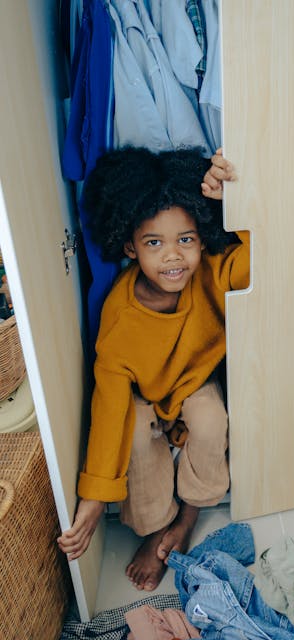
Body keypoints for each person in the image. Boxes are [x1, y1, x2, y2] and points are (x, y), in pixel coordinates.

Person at [57, 146, 249, 591]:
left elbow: (262, 256)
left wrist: (236, 202)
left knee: (209, 420)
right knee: (136, 438)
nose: (173, 257)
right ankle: (154, 528)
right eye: (153, 243)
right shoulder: (120, 316)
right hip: (145, 394)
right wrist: (92, 498)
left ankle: (187, 517)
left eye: (185, 239)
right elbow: (107, 406)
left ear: (201, 237)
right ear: (130, 246)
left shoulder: (212, 268)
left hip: (195, 378)